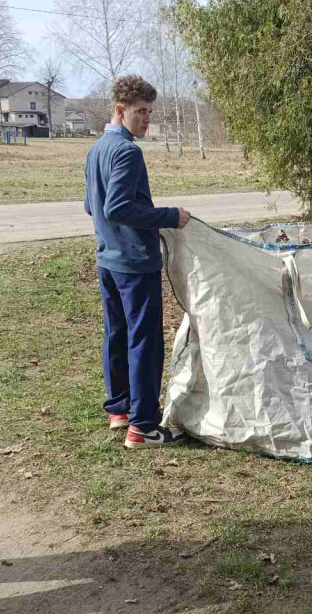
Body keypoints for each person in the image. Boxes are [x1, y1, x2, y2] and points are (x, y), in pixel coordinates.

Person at [85, 74, 192, 449]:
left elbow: (91, 206)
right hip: (133, 262)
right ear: (120, 110)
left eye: (149, 111)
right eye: (141, 112)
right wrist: (170, 216)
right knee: (144, 341)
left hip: (108, 261)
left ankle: (120, 410)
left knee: (117, 335)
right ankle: (143, 426)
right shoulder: (127, 152)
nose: (147, 119)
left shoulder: (97, 149)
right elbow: (116, 208)